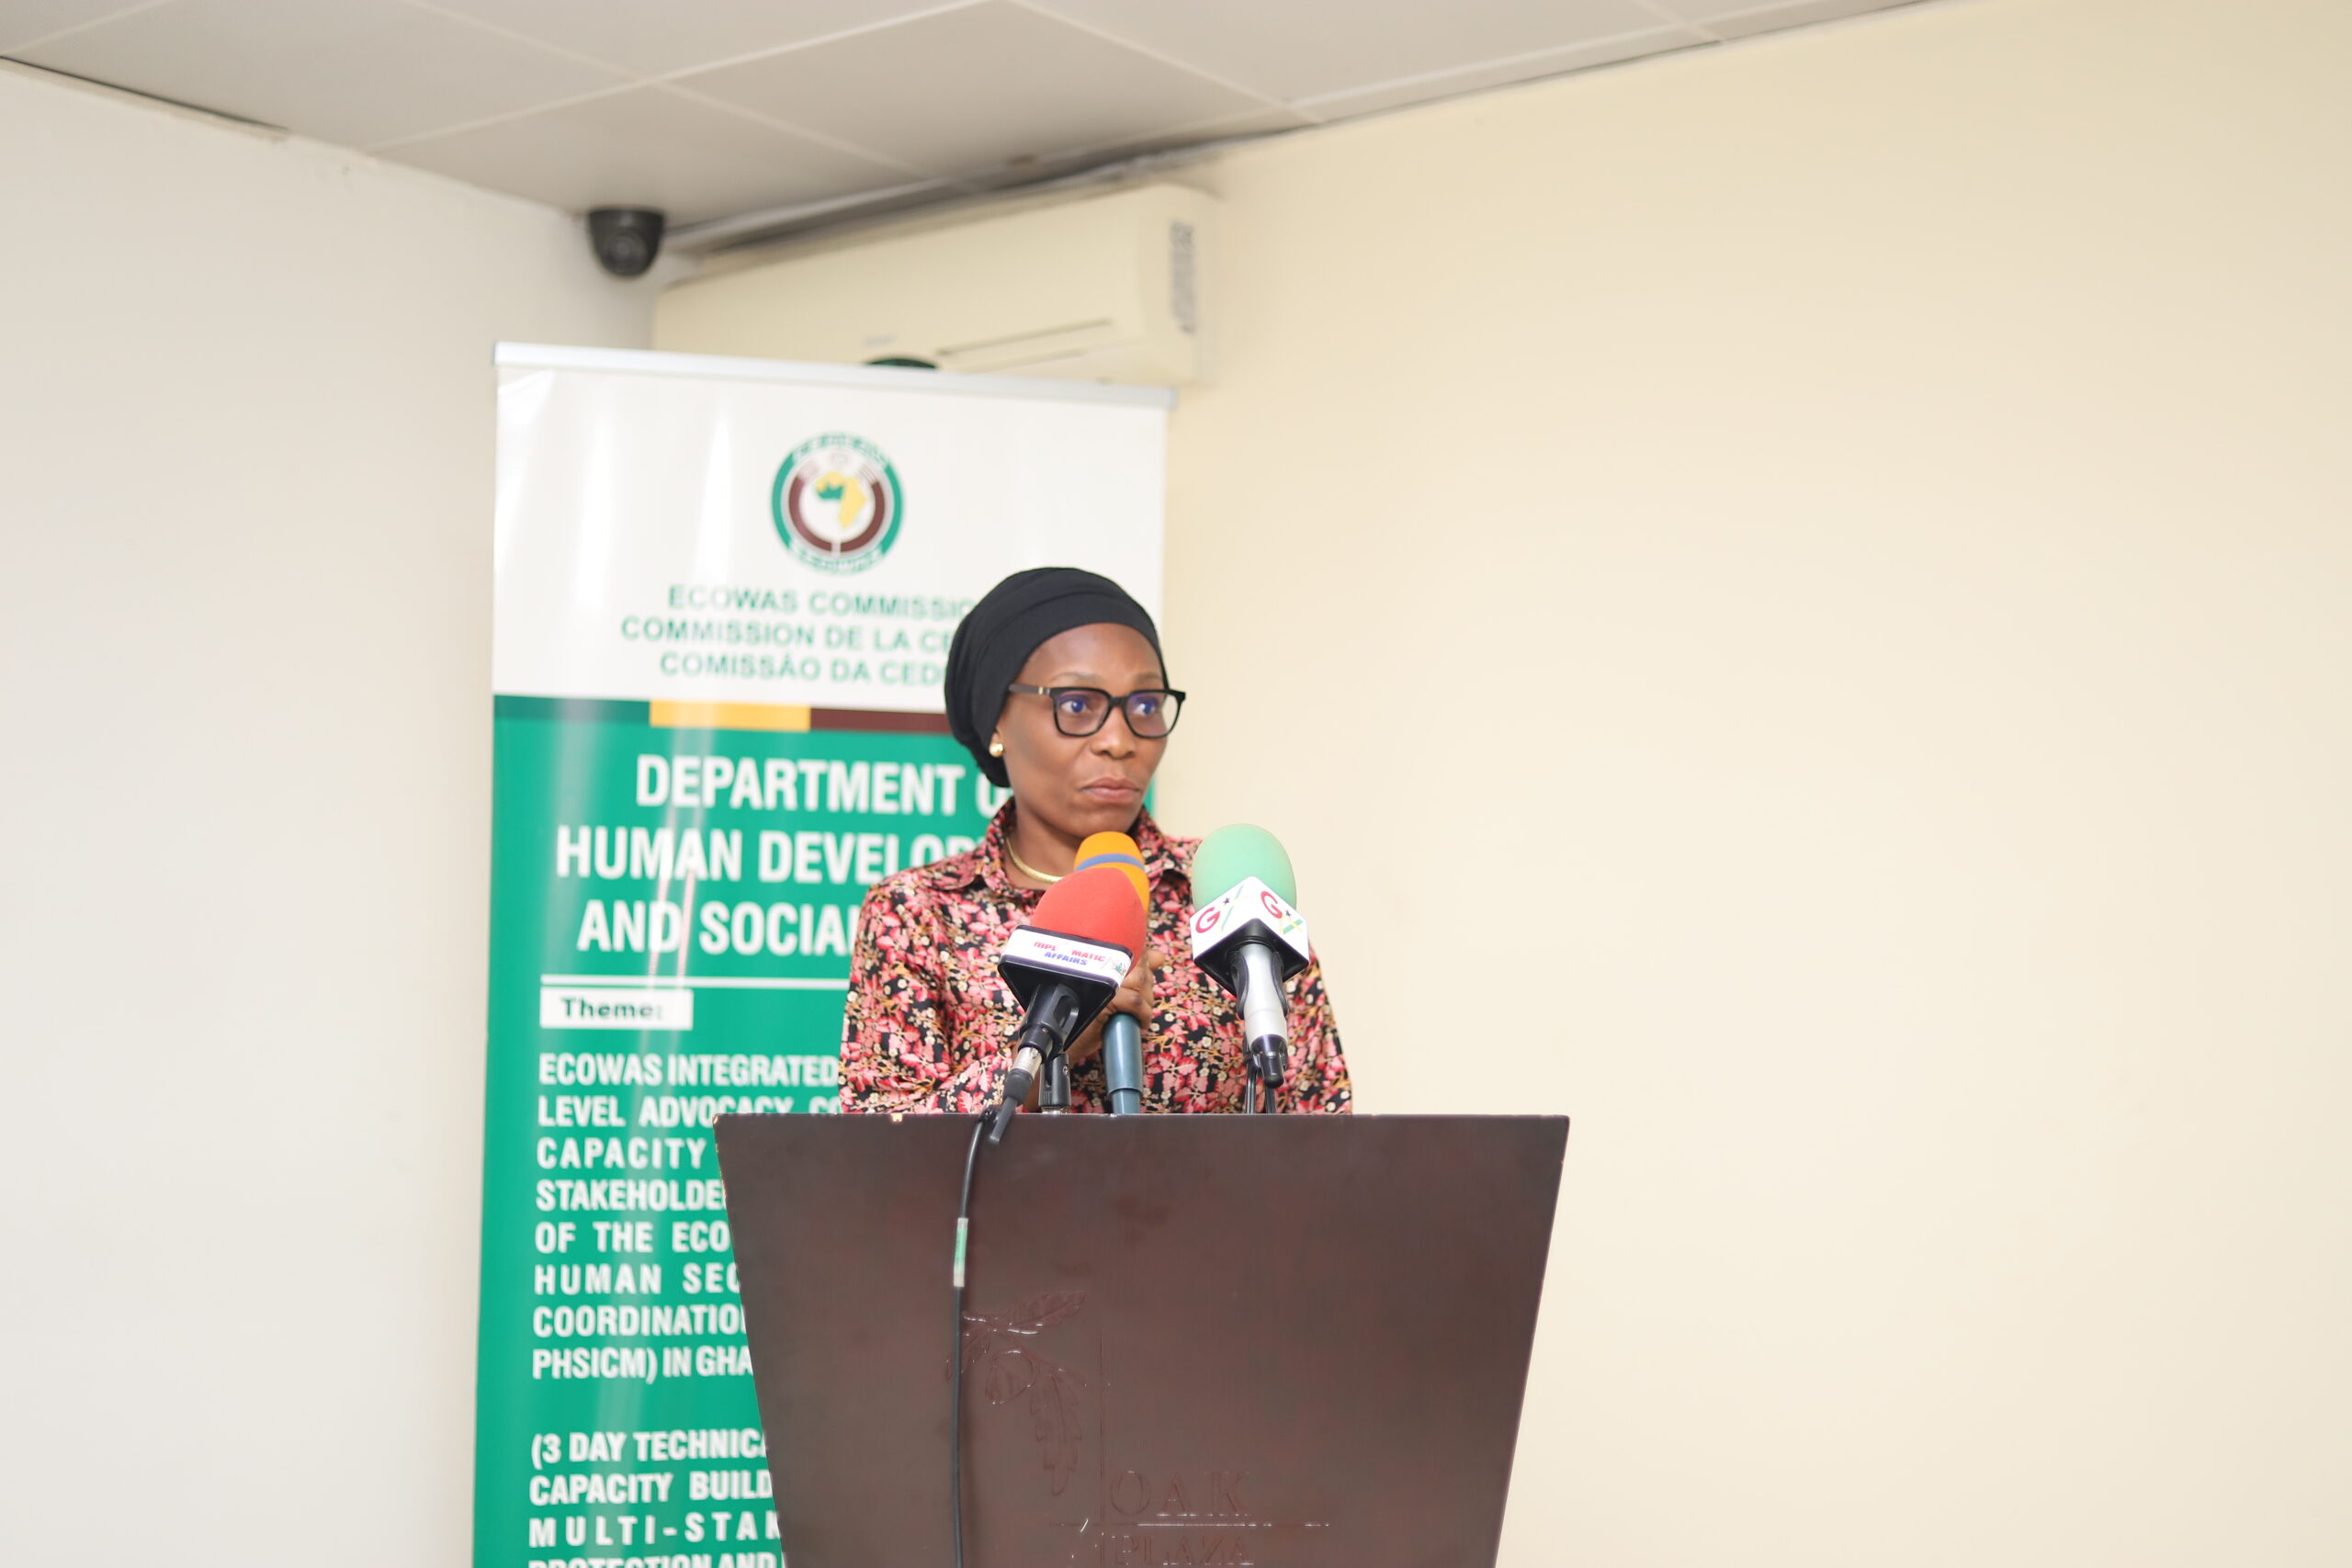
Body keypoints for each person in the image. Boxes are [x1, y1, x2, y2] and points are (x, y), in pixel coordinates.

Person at [839, 567, 1351, 1115]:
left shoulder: (1231, 892)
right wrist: (1048, 1047)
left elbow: (1322, 1120)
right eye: (1078, 705)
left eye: (1145, 706)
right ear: (996, 723)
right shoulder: (919, 911)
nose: (1119, 740)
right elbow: (878, 1139)